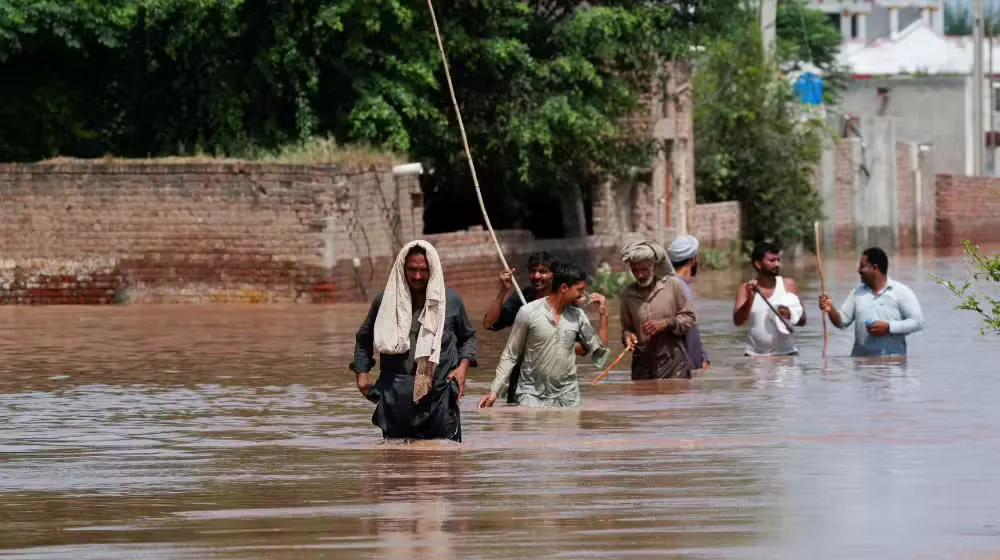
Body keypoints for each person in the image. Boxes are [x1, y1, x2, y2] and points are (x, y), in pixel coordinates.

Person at [350, 240, 477, 442]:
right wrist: (362, 376)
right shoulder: (385, 302)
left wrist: (463, 368)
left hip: (439, 396)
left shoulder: (450, 301)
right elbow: (364, 339)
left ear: (433, 269)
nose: (417, 276)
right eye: (412, 269)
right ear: (402, 267)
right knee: (397, 459)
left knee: (445, 458)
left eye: (423, 270)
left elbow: (468, 338)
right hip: (395, 398)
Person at [479, 263, 609, 408]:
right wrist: (494, 391)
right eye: (579, 290)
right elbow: (510, 354)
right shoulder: (528, 312)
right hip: (531, 394)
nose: (582, 295)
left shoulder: (578, 315)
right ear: (564, 288)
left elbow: (600, 349)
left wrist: (603, 314)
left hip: (567, 396)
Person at [818, 247, 924, 357]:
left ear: (875, 268)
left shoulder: (901, 292)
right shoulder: (857, 293)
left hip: (892, 364)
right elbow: (842, 322)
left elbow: (918, 323)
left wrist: (888, 327)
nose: (859, 270)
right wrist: (830, 309)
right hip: (861, 363)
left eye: (862, 266)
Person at [482, 251, 559, 404]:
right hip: (521, 382)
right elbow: (489, 323)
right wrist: (503, 290)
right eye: (533, 271)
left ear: (554, 275)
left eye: (543, 271)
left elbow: (581, 346)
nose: (536, 276)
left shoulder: (564, 300)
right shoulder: (523, 298)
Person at [620, 241, 697, 379]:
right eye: (635, 271)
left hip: (674, 363)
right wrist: (628, 337)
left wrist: (666, 323)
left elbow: (689, 318)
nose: (640, 275)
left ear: (653, 267)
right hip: (642, 365)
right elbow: (627, 327)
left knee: (675, 392)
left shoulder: (673, 285)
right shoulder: (627, 294)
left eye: (644, 269)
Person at [733, 241, 807, 357]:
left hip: (786, 355)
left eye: (778, 260)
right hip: (754, 357)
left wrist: (790, 314)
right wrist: (750, 298)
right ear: (758, 264)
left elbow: (802, 321)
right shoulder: (745, 288)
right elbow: (738, 321)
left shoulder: (789, 285)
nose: (777, 264)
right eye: (772, 261)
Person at [668, 234, 710, 370]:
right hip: (683, 368)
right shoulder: (680, 288)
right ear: (693, 259)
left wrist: (703, 357)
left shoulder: (673, 284)